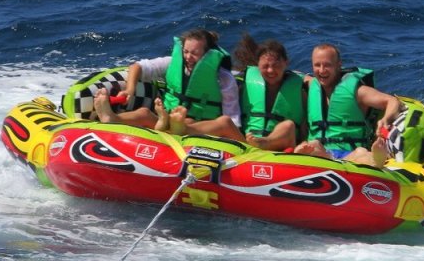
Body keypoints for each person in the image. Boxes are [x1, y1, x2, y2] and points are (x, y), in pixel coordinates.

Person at [157, 33, 305, 151]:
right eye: (265, 66)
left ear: (287, 63)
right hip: (247, 144)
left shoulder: (301, 87)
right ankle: (182, 128)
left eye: (276, 65)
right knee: (225, 121)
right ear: (257, 65)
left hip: (281, 146)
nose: (271, 70)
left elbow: (306, 122)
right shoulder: (243, 82)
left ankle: (265, 143)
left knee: (288, 125)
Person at [93, 28, 241, 129]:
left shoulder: (223, 78)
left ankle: (170, 126)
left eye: (194, 53)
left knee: (188, 122)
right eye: (185, 52)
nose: (188, 57)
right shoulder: (173, 63)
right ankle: (111, 118)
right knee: (144, 112)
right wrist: (130, 89)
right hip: (168, 117)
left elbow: (232, 117)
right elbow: (137, 67)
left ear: (208, 54)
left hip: (199, 125)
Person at [294, 43, 402, 168]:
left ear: (339, 65)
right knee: (313, 145)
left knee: (361, 153)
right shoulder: (310, 85)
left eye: (327, 65)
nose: (322, 70)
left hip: (351, 154)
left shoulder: (357, 91)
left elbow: (392, 101)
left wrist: (385, 119)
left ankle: (376, 160)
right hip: (322, 152)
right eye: (317, 65)